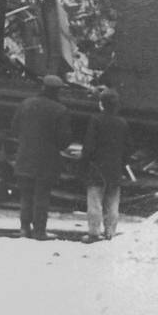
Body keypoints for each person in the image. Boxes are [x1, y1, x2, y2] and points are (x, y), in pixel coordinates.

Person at [11, 74, 72, 240]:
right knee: (42, 197)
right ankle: (39, 231)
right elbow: (64, 141)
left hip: (25, 157)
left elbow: (14, 129)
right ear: (57, 91)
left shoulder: (25, 104)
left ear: (42, 87)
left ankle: (24, 229)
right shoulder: (61, 110)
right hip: (47, 162)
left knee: (25, 195)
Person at [80, 88, 132, 243]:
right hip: (115, 169)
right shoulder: (123, 122)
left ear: (101, 104)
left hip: (97, 168)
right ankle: (110, 233)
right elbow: (128, 147)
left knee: (95, 202)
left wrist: (84, 162)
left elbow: (89, 146)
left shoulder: (96, 120)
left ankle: (94, 233)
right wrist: (122, 163)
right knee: (113, 203)